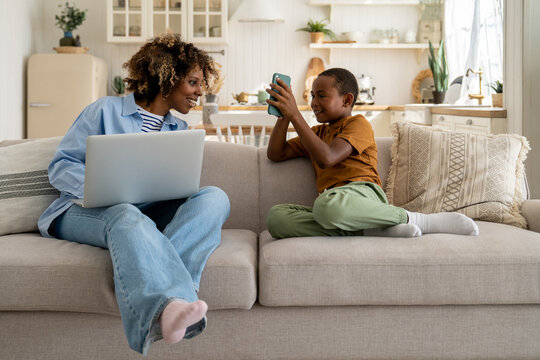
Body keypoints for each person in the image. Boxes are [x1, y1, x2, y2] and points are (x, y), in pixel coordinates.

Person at [37, 34, 230, 355]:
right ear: (166, 77)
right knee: (125, 213)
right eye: (193, 82)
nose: (200, 92)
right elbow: (61, 166)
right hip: (85, 211)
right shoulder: (104, 110)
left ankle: (173, 303)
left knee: (215, 197)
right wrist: (103, 190)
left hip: (145, 214)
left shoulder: (178, 130)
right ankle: (170, 305)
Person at [265, 67, 479, 239]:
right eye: (312, 96)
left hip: (363, 193)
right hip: (333, 203)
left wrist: (295, 115)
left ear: (347, 100)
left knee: (325, 207)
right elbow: (276, 153)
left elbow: (327, 158)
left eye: (321, 96)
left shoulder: (359, 124)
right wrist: (284, 114)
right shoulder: (317, 133)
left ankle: (415, 219)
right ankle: (372, 228)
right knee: (277, 218)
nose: (313, 103)